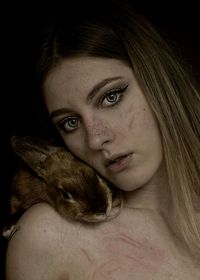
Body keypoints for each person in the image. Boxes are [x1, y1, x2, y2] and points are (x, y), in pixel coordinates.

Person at [6, 1, 200, 279]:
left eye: (111, 96)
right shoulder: (48, 238)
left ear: (158, 80)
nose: (95, 139)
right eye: (70, 123)